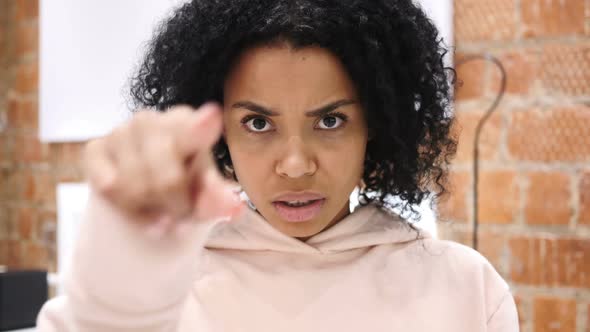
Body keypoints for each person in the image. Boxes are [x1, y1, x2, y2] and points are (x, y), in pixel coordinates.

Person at [37, 0, 519, 331]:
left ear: (374, 123)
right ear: (218, 125)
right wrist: (120, 280)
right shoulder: (160, 291)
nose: (294, 165)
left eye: (330, 120)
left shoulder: (464, 290)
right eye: (258, 123)